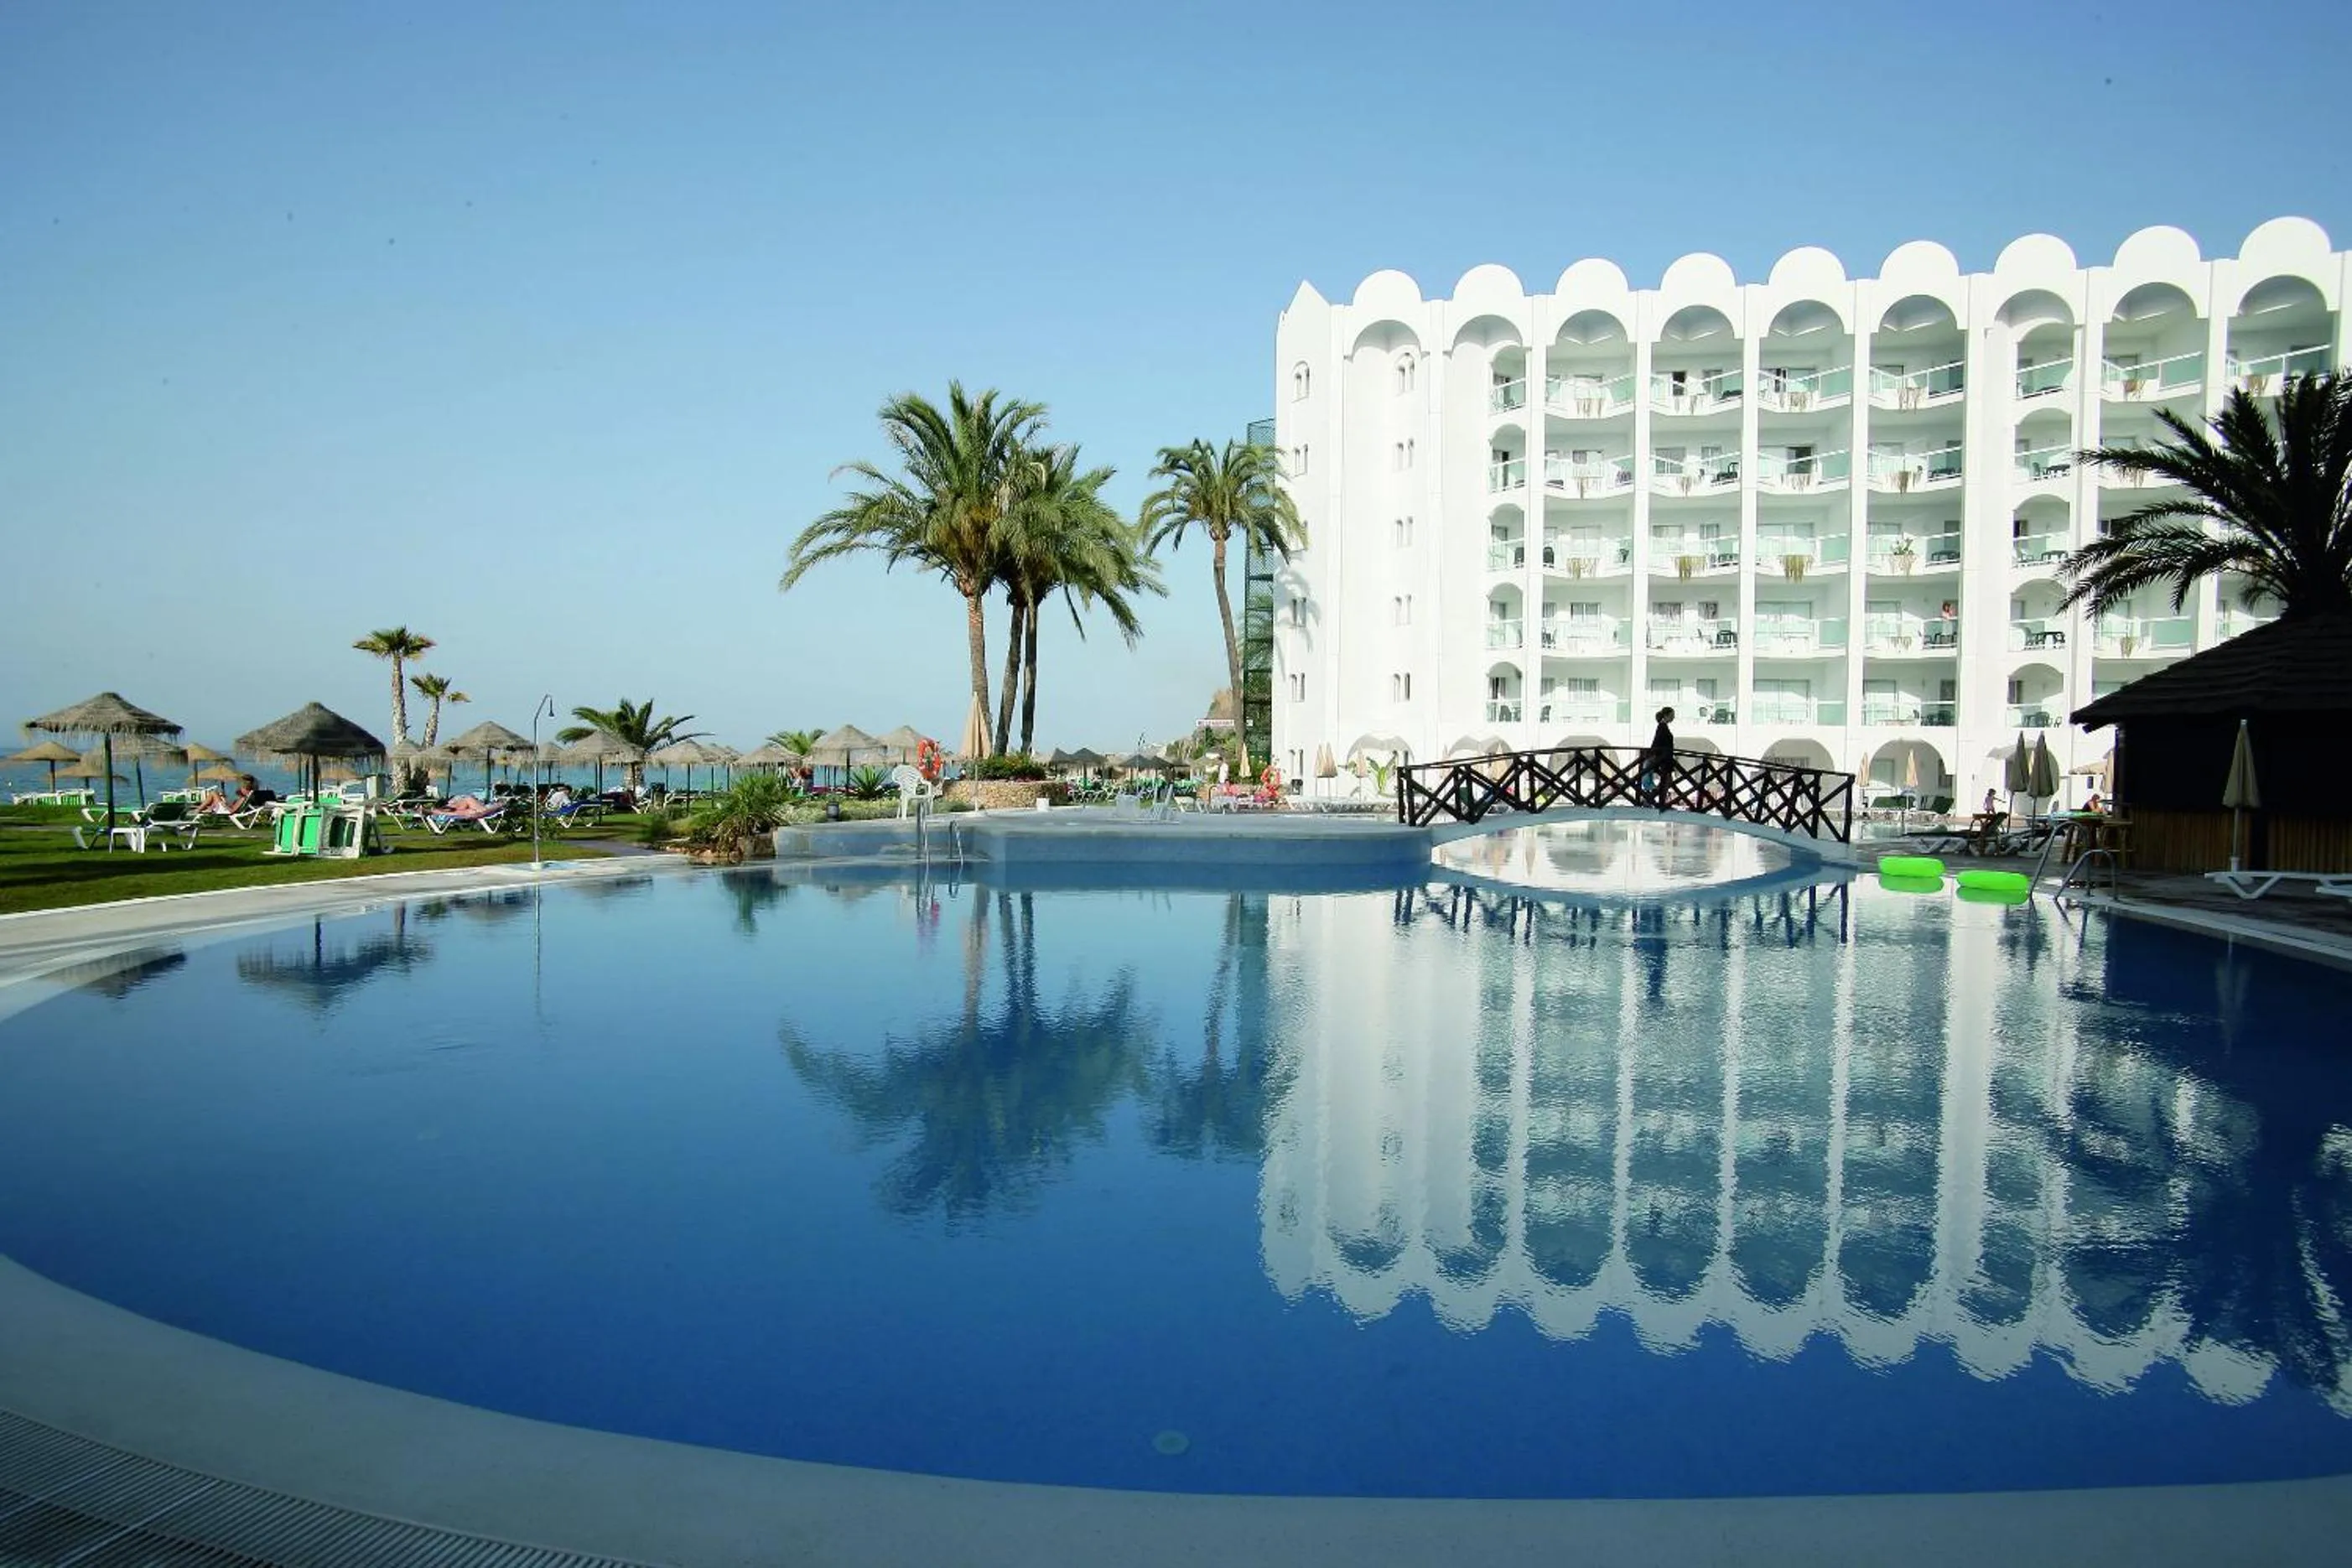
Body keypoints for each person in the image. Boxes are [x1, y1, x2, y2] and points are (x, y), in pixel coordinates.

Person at [1645, 706, 1676, 810]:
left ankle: (1652, 800)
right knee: (1667, 781)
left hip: (1664, 758)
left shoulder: (1662, 727)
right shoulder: (1662, 727)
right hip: (1664, 759)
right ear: (1666, 716)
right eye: (1672, 715)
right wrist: (1656, 756)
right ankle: (1655, 801)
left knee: (1667, 781)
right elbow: (1658, 742)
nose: (1673, 717)